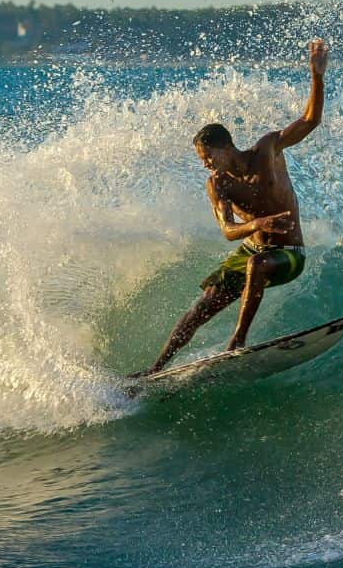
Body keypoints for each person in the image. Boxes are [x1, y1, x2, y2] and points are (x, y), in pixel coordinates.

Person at [131, 39, 329, 379]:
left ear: (225, 147)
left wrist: (317, 75)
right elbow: (227, 230)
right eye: (202, 161)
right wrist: (257, 224)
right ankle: (154, 369)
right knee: (202, 306)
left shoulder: (268, 150)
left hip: (289, 253)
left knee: (258, 263)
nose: (207, 165)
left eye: (208, 158)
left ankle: (236, 341)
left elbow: (310, 121)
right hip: (253, 246)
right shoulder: (218, 185)